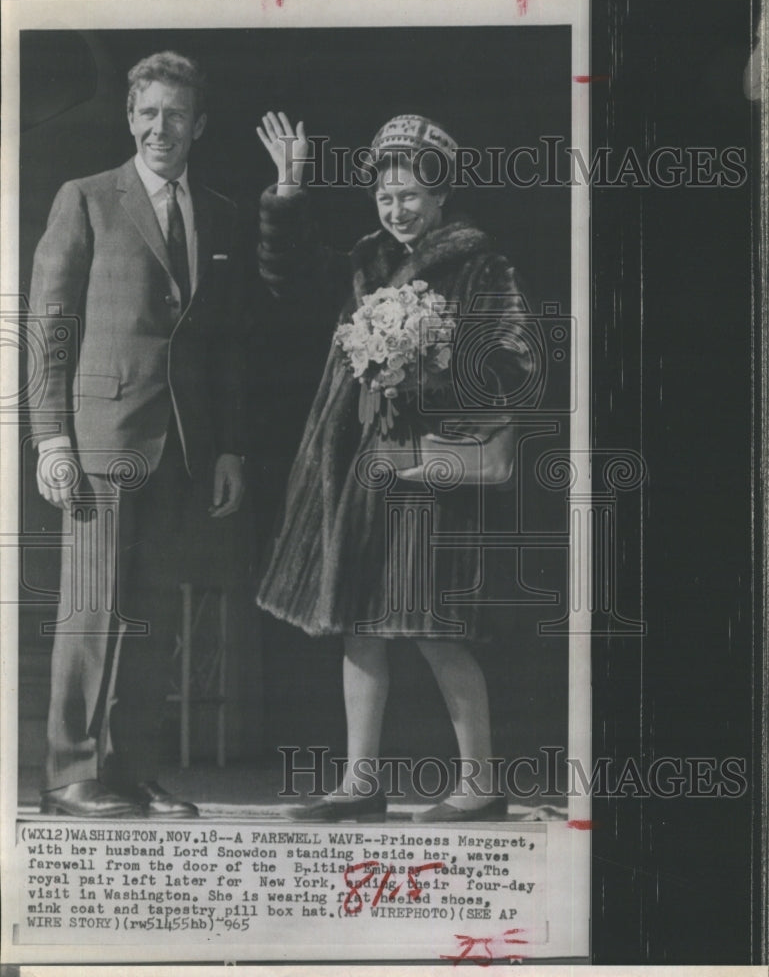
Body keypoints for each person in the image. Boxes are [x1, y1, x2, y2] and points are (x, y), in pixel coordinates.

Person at [255, 112, 534, 823]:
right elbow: (289, 277)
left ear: (440, 195)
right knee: (360, 623)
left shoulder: (483, 266)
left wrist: (432, 361)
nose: (396, 209)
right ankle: (359, 784)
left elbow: (514, 364)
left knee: (434, 627)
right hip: (360, 467)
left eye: (409, 195)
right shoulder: (365, 260)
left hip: (427, 470)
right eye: (384, 197)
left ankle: (479, 784)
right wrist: (288, 188)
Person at [29, 51, 246, 818]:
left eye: (175, 114)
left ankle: (132, 770)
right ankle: (70, 775)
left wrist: (226, 448)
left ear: (198, 125)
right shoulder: (86, 199)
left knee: (152, 611)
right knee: (91, 610)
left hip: (181, 447)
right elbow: (50, 326)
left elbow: (222, 344)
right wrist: (51, 438)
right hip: (99, 438)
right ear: (129, 117)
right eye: (148, 112)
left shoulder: (218, 212)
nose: (161, 127)